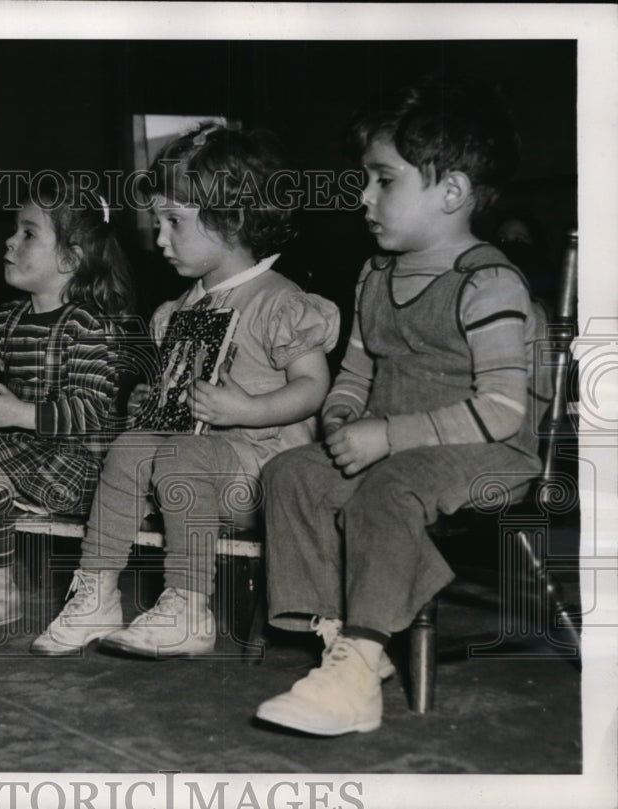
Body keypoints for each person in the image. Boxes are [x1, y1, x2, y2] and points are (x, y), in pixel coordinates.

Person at [255, 76, 550, 736]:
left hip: (488, 452)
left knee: (385, 489)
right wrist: (339, 415)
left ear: (451, 192)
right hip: (395, 444)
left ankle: (358, 666)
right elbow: (356, 370)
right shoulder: (376, 274)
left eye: (383, 180)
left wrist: (389, 436)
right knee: (290, 474)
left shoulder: (488, 280)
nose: (363, 197)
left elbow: (503, 408)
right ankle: (344, 634)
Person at [30, 123, 340, 658]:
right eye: (159, 222)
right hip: (193, 461)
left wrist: (249, 408)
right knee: (132, 447)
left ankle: (188, 605)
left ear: (232, 220)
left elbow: (314, 388)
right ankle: (96, 591)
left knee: (182, 454)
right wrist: (153, 401)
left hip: (264, 473)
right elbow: (176, 396)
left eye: (174, 222)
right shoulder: (183, 308)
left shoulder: (279, 302)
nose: (160, 238)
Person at [0, 177, 136, 632]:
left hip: (75, 466)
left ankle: (0, 589)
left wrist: (21, 413)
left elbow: (93, 412)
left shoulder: (91, 326)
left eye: (28, 233)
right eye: (15, 230)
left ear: (70, 257)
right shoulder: (0, 317)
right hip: (21, 448)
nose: (10, 240)